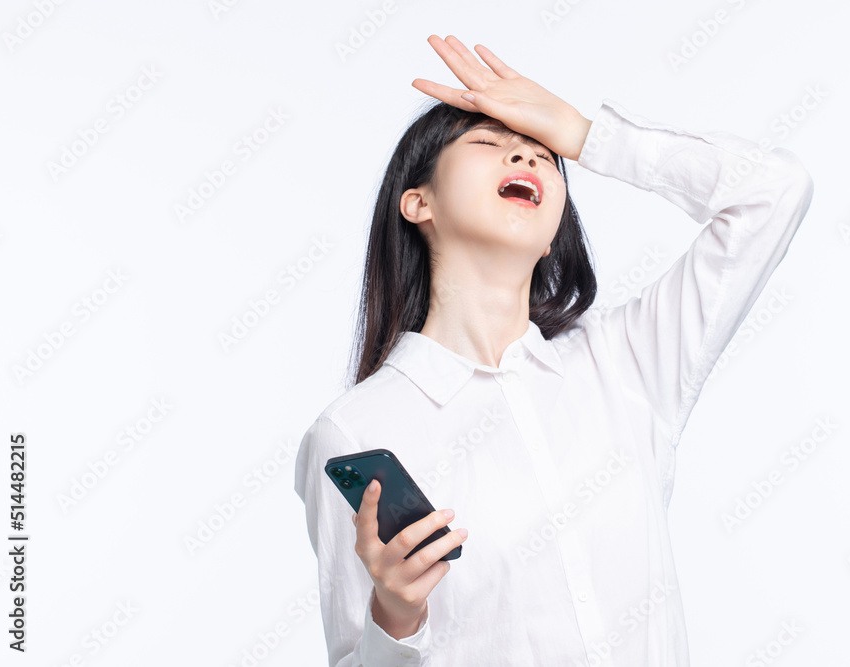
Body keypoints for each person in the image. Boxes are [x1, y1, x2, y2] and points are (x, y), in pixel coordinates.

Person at [294, 34, 814, 667]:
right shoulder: (354, 431)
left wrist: (585, 134)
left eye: (544, 156)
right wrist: (395, 621)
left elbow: (774, 192)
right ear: (418, 202)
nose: (525, 154)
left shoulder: (627, 363)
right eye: (488, 143)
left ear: (551, 237)